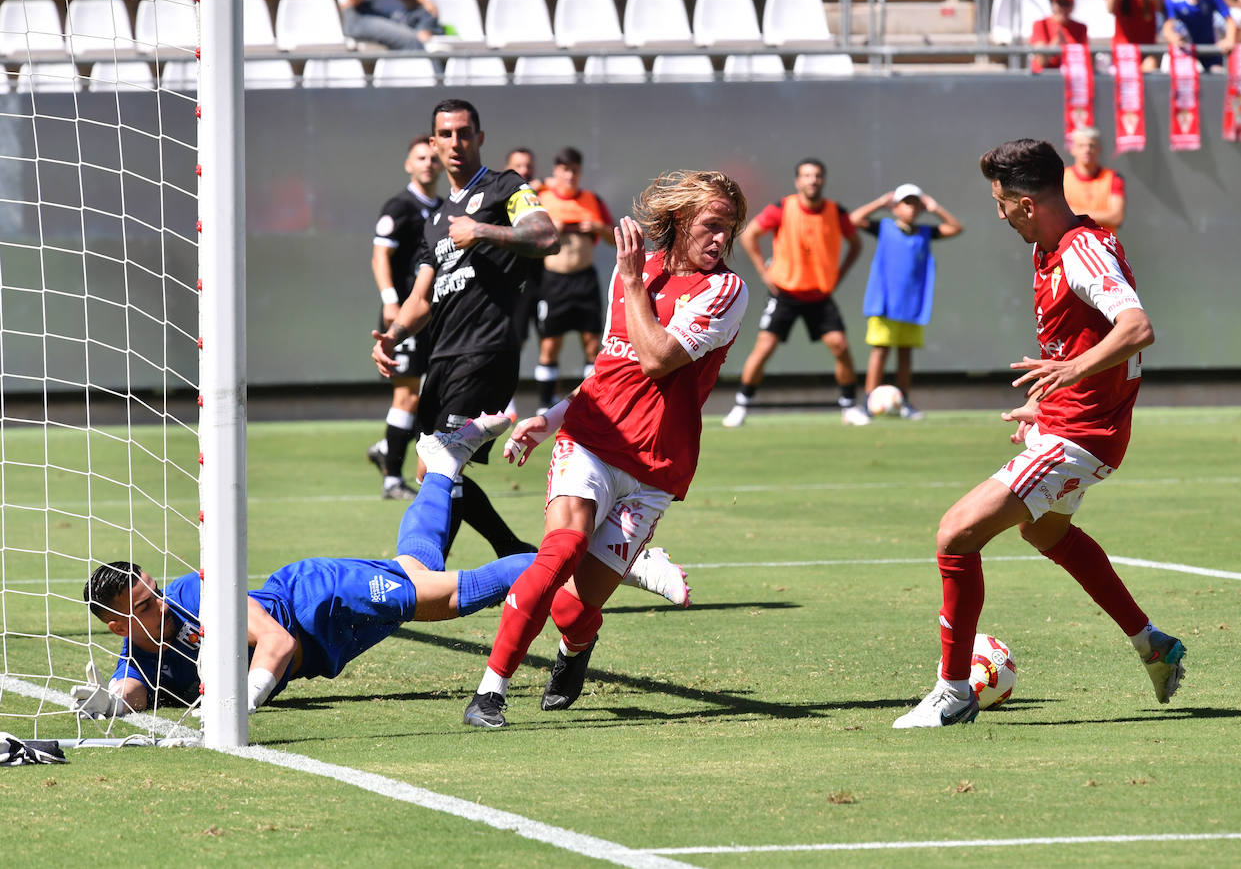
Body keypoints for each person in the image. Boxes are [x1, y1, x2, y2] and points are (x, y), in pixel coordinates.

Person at [77, 417, 692, 718]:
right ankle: (443, 464)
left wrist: (239, 705)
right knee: (416, 568)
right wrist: (99, 705)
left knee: (447, 595)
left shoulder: (197, 597)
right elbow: (130, 694)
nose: (159, 604)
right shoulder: (138, 657)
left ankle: (618, 559)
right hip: (329, 644)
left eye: (153, 592)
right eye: (144, 606)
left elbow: (276, 643)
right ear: (118, 627)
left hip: (320, 599)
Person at [893, 139, 1186, 729]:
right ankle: (1151, 642)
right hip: (1070, 422)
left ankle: (953, 693)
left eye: (1000, 203)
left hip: (1082, 436)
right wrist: (1047, 399)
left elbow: (1137, 327)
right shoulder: (1052, 249)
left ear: (1026, 204)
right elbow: (1083, 345)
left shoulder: (1082, 251)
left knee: (956, 534)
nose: (997, 214)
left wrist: (1070, 378)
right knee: (1047, 533)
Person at [462, 170, 750, 729]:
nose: (720, 240)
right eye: (711, 226)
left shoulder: (725, 291)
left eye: (729, 230)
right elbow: (611, 367)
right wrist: (549, 419)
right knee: (560, 550)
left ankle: (575, 649)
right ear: (680, 221)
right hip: (591, 439)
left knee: (574, 605)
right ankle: (489, 693)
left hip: (655, 469)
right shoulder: (633, 273)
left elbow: (657, 357)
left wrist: (634, 282)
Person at [372, 99, 560, 561]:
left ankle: (425, 571)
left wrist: (485, 232)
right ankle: (515, 552)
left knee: (442, 469)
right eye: (446, 134)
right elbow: (420, 299)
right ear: (433, 144)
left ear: (479, 137)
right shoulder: (434, 220)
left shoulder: (506, 188)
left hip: (487, 350)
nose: (455, 142)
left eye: (464, 132)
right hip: (443, 356)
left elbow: (545, 236)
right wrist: (392, 336)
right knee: (429, 470)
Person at [723, 158, 867, 428]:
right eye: (807, 175)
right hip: (786, 293)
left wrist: (840, 273)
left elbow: (855, 244)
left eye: (817, 176)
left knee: (840, 345)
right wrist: (764, 274)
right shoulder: (782, 208)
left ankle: (849, 406)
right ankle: (741, 405)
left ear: (823, 180)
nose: (812, 180)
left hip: (820, 295)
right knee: (764, 348)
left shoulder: (836, 213)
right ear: (798, 181)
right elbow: (749, 235)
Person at [365, 135, 442, 500]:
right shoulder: (399, 206)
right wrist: (391, 301)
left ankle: (386, 447)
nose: (428, 162)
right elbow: (380, 256)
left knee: (428, 395)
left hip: (433, 315)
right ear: (408, 164)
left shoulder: (444, 208)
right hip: (405, 316)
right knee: (408, 394)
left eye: (433, 158)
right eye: (420, 157)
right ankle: (392, 478)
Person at [848, 184, 964, 419]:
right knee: (880, 350)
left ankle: (903, 403)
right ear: (896, 207)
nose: (911, 208)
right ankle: (868, 404)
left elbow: (956, 228)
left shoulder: (925, 232)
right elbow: (853, 219)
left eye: (915, 203)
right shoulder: (883, 226)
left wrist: (935, 208)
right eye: (906, 203)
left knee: (905, 353)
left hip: (912, 305)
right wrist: (880, 203)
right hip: (884, 303)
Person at [533, 147, 615, 414]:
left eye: (574, 171)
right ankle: (545, 405)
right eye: (564, 170)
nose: (569, 176)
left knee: (592, 343)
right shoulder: (541, 197)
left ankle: (591, 404)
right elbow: (521, 235)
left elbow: (614, 238)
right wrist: (547, 229)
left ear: (580, 173)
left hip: (584, 280)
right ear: (556, 172)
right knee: (549, 343)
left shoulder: (592, 200)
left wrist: (599, 228)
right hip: (553, 280)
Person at [503, 146, 544, 420]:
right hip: (514, 281)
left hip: (542, 278)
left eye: (528, 165)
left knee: (547, 339)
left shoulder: (542, 196)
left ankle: (548, 401)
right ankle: (505, 399)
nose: (525, 170)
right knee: (512, 341)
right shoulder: (504, 196)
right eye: (519, 165)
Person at [1163, 0, 1238, 71]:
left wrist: (1229, 39)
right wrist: (1173, 37)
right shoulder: (1173, 0)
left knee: (1217, 75)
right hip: (1186, 52)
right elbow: (1168, 25)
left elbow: (1230, 20)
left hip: (1210, 49)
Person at [1062, 127, 1126, 235]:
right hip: (1070, 244)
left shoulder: (1113, 177)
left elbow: (1116, 218)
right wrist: (1103, 216)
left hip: (1104, 245)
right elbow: (1058, 215)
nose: (1087, 150)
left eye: (1091, 145)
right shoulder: (1061, 177)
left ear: (1099, 149)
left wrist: (1073, 213)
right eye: (1081, 145)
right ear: (1072, 149)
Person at [1104, 0, 1162, 71]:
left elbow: (1162, 10)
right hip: (1123, 48)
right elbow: (1110, 8)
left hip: (1147, 48)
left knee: (1149, 72)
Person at [1029, 0, 1089, 75]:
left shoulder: (1081, 28)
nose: (1063, 8)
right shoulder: (1041, 24)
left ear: (1072, 6)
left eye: (1067, 4)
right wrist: (1055, 44)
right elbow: (1041, 61)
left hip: (1070, 77)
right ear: (1053, 5)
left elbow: (1084, 60)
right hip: (1044, 77)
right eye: (1060, 3)